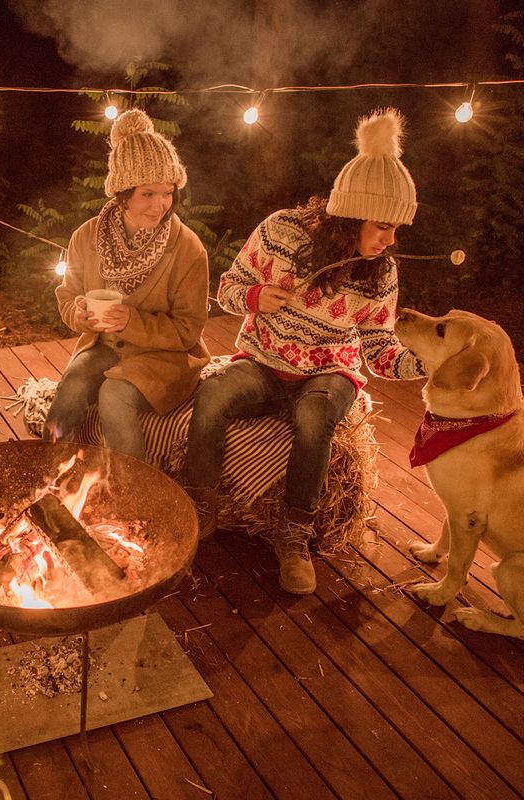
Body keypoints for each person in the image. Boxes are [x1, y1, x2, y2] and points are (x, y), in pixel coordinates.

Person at [182, 108, 426, 594]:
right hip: (263, 362)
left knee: (315, 417)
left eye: (397, 230)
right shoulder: (279, 232)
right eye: (382, 226)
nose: (390, 240)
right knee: (210, 397)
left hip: (328, 373)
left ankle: (293, 532)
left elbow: (378, 349)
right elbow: (229, 287)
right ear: (351, 214)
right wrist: (254, 298)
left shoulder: (381, 272)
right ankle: (199, 504)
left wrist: (428, 363)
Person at [45, 109, 210, 466]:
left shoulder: (188, 249)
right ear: (123, 193)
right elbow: (67, 294)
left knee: (113, 395)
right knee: (73, 382)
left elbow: (187, 330)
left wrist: (130, 322)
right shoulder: (87, 236)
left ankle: (138, 491)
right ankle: (54, 472)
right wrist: (80, 314)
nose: (160, 205)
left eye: (167, 193)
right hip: (105, 346)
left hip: (164, 358)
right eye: (148, 194)